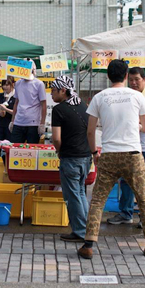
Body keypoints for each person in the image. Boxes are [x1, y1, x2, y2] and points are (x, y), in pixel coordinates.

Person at [79, 60, 145, 260]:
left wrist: (94, 154)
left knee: (98, 200)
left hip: (108, 154)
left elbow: (90, 130)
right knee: (144, 199)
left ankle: (89, 244)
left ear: (108, 76)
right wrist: (133, 128)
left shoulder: (99, 97)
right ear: (125, 76)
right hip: (133, 154)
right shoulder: (137, 97)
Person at [108, 67, 145, 226]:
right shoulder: (127, 95)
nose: (133, 82)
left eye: (137, 79)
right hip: (129, 145)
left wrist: (130, 124)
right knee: (126, 180)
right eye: (130, 79)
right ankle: (125, 213)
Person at [50, 76, 91, 242]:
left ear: (62, 90)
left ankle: (80, 232)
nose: (51, 94)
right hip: (86, 157)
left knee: (73, 196)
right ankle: (88, 228)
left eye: (53, 91)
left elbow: (56, 138)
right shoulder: (84, 106)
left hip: (70, 157)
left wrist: (59, 151)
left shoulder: (59, 110)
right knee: (80, 192)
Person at [10, 64, 47, 144]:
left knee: (32, 150)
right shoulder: (18, 83)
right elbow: (16, 102)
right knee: (15, 149)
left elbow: (43, 104)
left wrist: (42, 123)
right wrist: (12, 121)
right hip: (18, 121)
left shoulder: (39, 84)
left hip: (33, 123)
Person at [0, 78, 16, 143]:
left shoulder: (16, 96)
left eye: (7, 85)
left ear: (13, 84)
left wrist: (6, 109)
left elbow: (16, 112)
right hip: (0, 124)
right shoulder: (0, 96)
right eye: (3, 85)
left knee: (9, 146)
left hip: (11, 124)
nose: (5, 87)